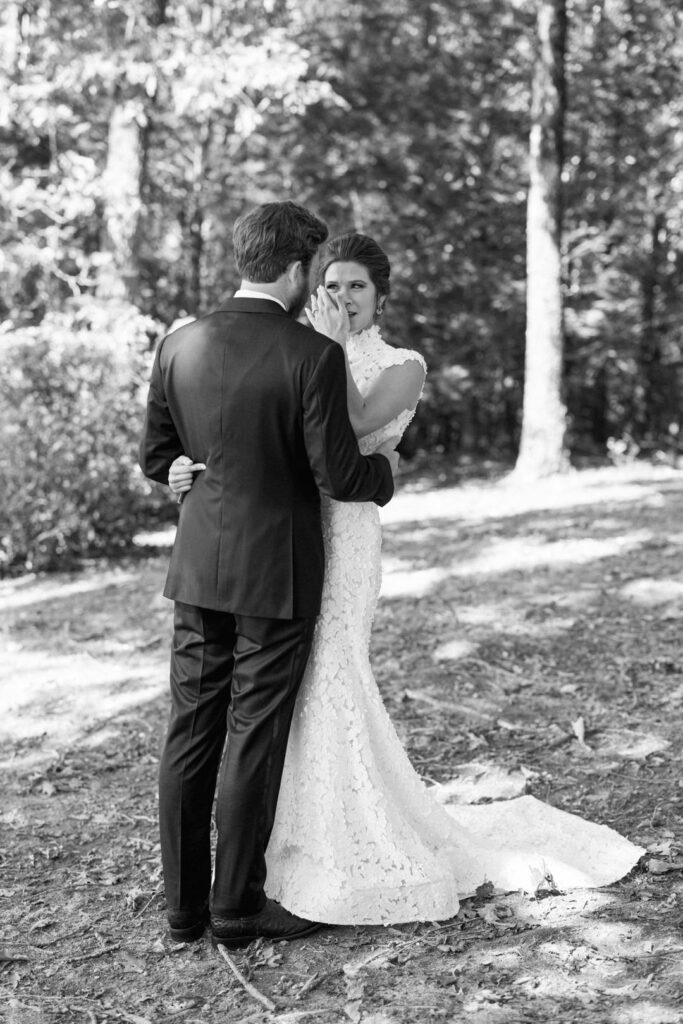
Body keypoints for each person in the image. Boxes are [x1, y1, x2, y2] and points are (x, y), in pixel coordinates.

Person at [169, 232, 644, 927]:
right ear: (311, 287)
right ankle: (274, 841)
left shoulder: (399, 365)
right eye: (330, 284)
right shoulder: (290, 352)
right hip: (280, 535)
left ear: (380, 296)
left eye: (356, 285)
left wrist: (325, 350)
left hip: (344, 533)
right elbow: (244, 432)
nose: (341, 296)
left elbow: (353, 420)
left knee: (328, 673)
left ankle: (339, 839)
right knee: (279, 697)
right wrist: (182, 469)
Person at [139, 204, 399, 949]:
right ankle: (236, 908)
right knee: (252, 735)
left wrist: (177, 471)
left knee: (189, 731)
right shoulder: (309, 355)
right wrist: (386, 473)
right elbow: (341, 475)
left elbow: (157, 455)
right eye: (311, 272)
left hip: (196, 568)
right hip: (277, 573)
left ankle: (183, 912)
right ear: (293, 271)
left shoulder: (179, 342)